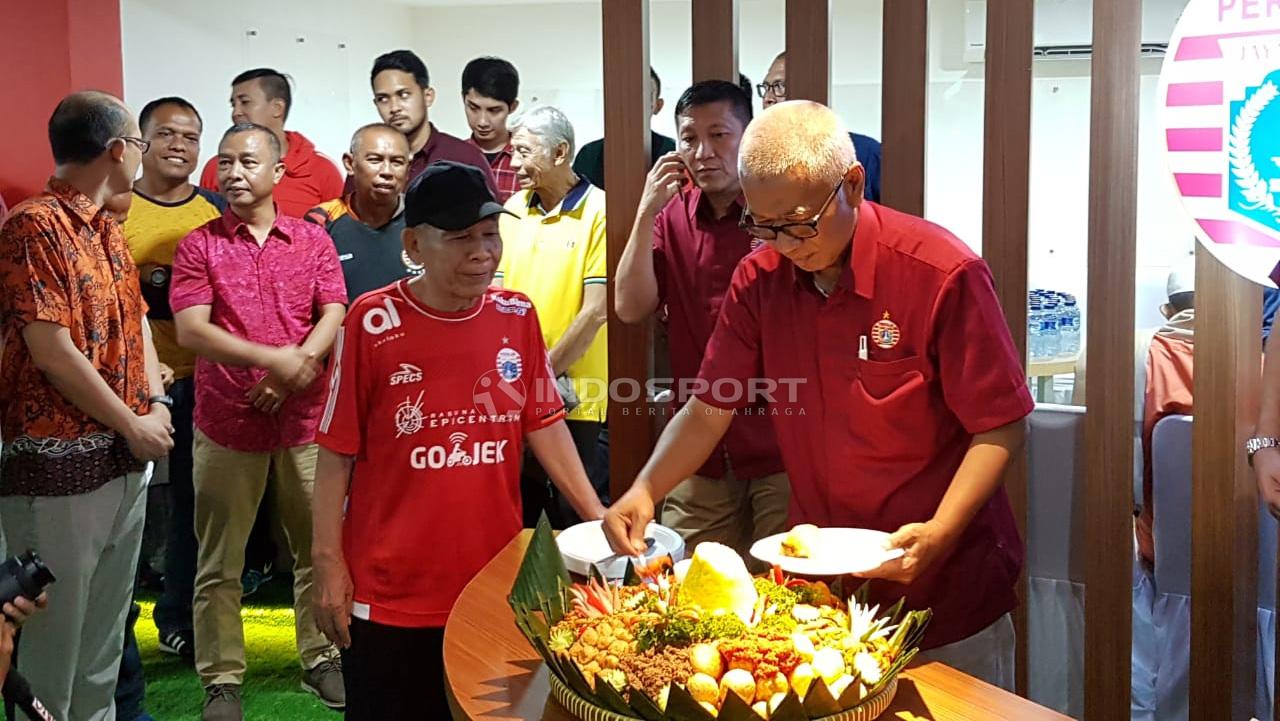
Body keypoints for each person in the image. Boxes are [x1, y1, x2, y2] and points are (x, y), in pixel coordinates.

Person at [603, 101, 1033, 690]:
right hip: (823, 590)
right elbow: (709, 409)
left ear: (852, 185)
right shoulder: (759, 279)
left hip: (945, 583)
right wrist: (646, 488)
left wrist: (940, 531)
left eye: (798, 223)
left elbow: (1000, 425)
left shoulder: (940, 273)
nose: (782, 244)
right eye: (762, 224)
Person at [311, 160, 607, 719]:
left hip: (493, 583)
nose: (482, 252)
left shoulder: (515, 315)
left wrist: (595, 515)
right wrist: (328, 564)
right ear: (415, 244)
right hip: (389, 592)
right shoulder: (371, 321)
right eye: (461, 238)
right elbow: (335, 453)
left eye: (490, 235)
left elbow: (543, 421)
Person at [0, 90, 174, 720]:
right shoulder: (33, 224)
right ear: (118, 150)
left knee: (102, 646)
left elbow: (140, 325)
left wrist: (154, 401)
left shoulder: (106, 229)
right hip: (58, 472)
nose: (144, 157)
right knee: (50, 655)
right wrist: (134, 421)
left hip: (123, 461)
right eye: (142, 144)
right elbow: (50, 349)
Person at [172, 122, 347, 720]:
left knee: (316, 549)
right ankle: (221, 680)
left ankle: (320, 658)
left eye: (247, 161)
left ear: (278, 173)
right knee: (219, 561)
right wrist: (279, 362)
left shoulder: (313, 240)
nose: (233, 173)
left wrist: (299, 365)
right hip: (227, 422)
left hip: (304, 422)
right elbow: (192, 330)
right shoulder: (199, 244)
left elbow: (336, 311)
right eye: (224, 163)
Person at [615, 80, 789, 557]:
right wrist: (646, 210)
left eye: (720, 135)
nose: (703, 152)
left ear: (748, 136)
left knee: (790, 583)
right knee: (690, 586)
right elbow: (630, 307)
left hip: (782, 437)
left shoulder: (780, 213)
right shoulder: (672, 216)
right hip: (699, 446)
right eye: (689, 138)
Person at [124, 96, 226, 665]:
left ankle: (178, 618)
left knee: (193, 507)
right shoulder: (118, 209)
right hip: (128, 387)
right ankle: (119, 626)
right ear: (141, 142)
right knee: (129, 512)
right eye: (166, 134)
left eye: (191, 136)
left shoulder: (211, 212)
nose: (179, 146)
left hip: (200, 383)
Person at [497, 106, 610, 529]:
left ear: (561, 152)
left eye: (523, 152)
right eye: (512, 152)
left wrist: (538, 378)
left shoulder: (600, 209)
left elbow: (595, 311)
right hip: (515, 396)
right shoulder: (510, 211)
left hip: (579, 401)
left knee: (578, 518)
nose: (512, 163)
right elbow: (498, 302)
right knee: (521, 518)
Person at [198, 68, 343, 217]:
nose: (236, 113)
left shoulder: (323, 170)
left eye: (245, 102)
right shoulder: (215, 168)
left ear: (277, 108)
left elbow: (338, 232)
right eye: (233, 105)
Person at [356, 50, 494, 193]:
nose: (394, 107)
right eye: (383, 99)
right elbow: (344, 213)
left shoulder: (464, 159)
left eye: (404, 95)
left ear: (428, 96)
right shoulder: (365, 163)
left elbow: (491, 215)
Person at [306, 123, 415, 301]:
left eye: (397, 162)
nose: (387, 171)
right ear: (350, 164)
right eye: (375, 160)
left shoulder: (425, 220)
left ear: (408, 169)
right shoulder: (320, 221)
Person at [758, 52, 883, 203]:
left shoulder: (865, 153)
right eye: (766, 87)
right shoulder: (759, 160)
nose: (768, 98)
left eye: (779, 86)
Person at [1135, 268, 1195, 567]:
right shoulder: (1255, 360)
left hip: (1155, 543)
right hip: (1246, 539)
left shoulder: (1136, 356)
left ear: (1167, 311)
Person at [573, 67, 676, 191]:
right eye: (625, 95)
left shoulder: (670, 151)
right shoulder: (589, 155)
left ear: (658, 106)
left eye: (642, 96)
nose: (633, 104)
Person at [462, 57, 521, 203]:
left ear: (513, 107)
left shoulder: (527, 161)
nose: (482, 122)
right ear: (463, 99)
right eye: (473, 108)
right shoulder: (452, 158)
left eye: (494, 110)